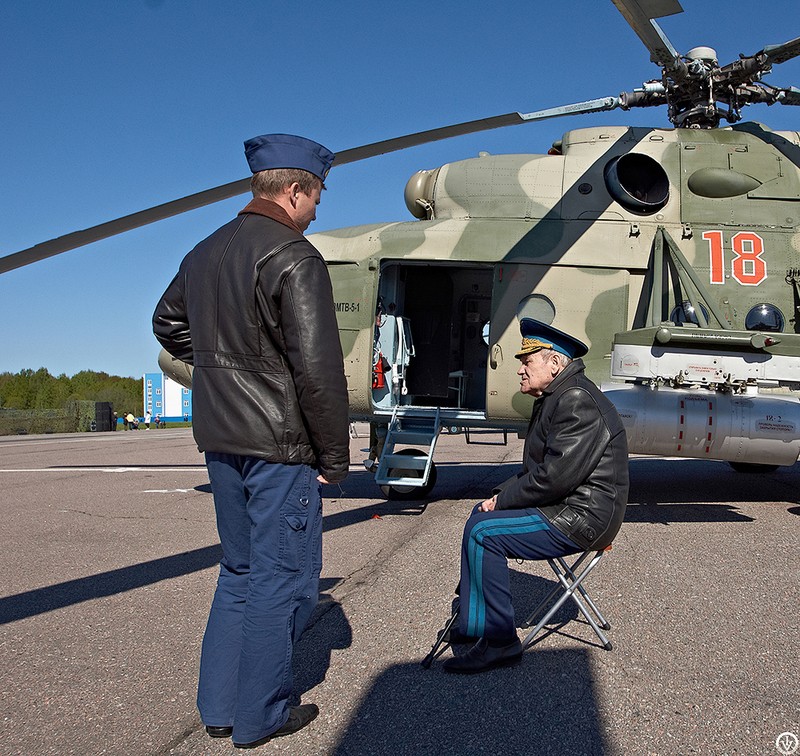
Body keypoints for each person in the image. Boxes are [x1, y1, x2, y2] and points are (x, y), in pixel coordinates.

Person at [152, 133, 350, 747]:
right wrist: (335, 458)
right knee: (279, 579)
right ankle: (261, 716)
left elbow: (166, 323)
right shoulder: (295, 255)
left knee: (236, 570)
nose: (318, 209)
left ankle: (218, 708)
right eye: (316, 196)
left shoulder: (204, 252)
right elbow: (318, 369)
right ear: (294, 190)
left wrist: (222, 371)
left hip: (221, 443)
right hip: (279, 449)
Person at [442, 318, 629, 674]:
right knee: (478, 515)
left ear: (555, 363)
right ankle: (473, 623)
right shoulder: (558, 395)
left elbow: (554, 478)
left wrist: (503, 500)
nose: (520, 370)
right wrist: (496, 497)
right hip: (568, 505)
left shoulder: (576, 400)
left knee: (483, 534)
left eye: (527, 362)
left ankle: (500, 642)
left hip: (583, 517)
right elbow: (540, 473)